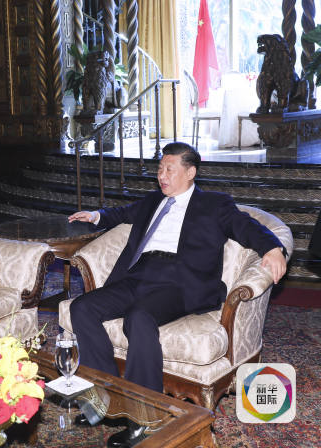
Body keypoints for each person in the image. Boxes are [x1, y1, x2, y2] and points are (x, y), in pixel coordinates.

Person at [68, 142, 287, 447]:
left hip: (180, 283)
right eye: (160, 168)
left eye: (169, 169)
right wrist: (96, 215)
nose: (162, 175)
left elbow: (245, 226)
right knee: (81, 308)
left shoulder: (214, 203)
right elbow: (121, 213)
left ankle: (145, 417)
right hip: (137, 275)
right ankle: (106, 399)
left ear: (190, 172)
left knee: (139, 318)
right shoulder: (153, 200)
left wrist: (273, 248)